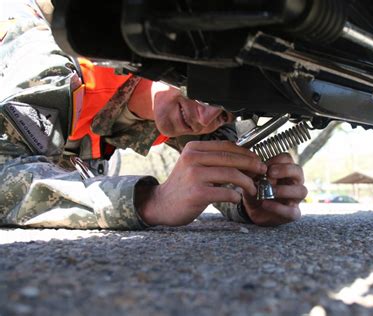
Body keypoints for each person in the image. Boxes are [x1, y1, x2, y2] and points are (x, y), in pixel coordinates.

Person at [0, 0, 307, 230]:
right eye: (202, 88)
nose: (206, 116)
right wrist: (149, 200)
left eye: (226, 111)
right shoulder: (46, 58)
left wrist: (251, 200)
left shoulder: (193, 113)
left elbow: (224, 177)